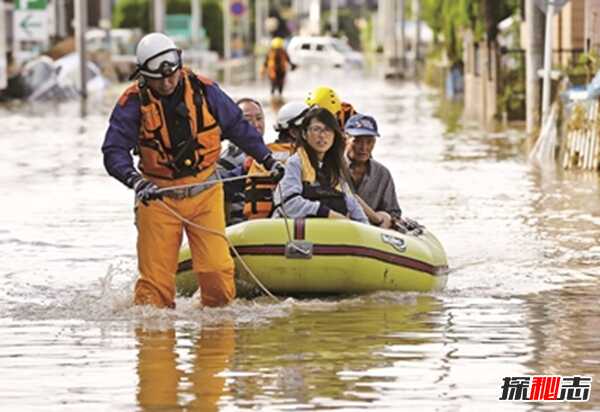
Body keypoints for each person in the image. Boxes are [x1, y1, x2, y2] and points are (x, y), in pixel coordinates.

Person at [101, 33, 283, 309]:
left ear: (179, 65)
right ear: (143, 76)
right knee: (155, 291)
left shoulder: (206, 90)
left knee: (217, 276)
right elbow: (113, 151)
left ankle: (214, 343)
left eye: (171, 75)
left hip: (205, 194)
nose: (167, 82)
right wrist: (135, 181)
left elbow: (238, 128)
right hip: (158, 198)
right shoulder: (132, 103)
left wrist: (268, 160)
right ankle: (155, 345)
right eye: (158, 78)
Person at [272, 107, 368, 223]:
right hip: (297, 235)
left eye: (328, 130)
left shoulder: (336, 168)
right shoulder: (295, 162)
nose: (322, 136)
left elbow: (352, 205)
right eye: (316, 129)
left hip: (330, 234)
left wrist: (365, 226)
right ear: (304, 134)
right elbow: (288, 203)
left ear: (334, 135)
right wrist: (327, 213)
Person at [243, 101, 309, 219]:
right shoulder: (301, 157)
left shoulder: (263, 155)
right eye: (310, 129)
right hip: (285, 222)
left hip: (256, 225)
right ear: (293, 132)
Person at [345, 114, 402, 229]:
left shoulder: (382, 174)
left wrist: (382, 219)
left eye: (369, 142)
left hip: (372, 237)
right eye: (357, 141)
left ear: (374, 143)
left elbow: (393, 213)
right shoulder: (332, 169)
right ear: (345, 139)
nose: (364, 147)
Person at [218, 98, 265, 225]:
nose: (255, 125)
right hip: (238, 229)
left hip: (268, 227)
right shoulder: (223, 162)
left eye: (259, 118)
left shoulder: (274, 158)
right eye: (248, 121)